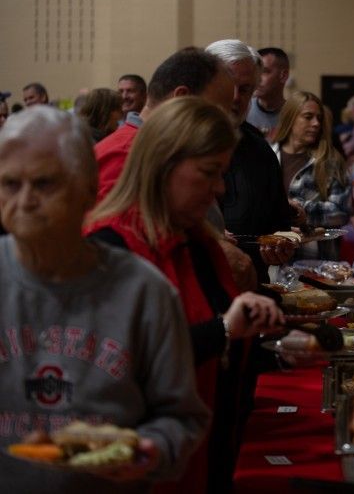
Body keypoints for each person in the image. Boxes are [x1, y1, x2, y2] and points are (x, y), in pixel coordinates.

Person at [0, 106, 210, 493]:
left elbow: (182, 418)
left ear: (87, 189)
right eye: (10, 184)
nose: (25, 201)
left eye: (44, 184)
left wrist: (152, 451)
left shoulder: (144, 292)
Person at [86, 97, 285, 494]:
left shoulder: (194, 239)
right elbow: (115, 364)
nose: (220, 189)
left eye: (223, 173)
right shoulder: (108, 248)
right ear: (164, 165)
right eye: (210, 173)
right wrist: (224, 330)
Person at [206, 39, 299, 283]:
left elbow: (278, 226)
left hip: (250, 292)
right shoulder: (173, 143)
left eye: (245, 89)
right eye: (228, 86)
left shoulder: (260, 150)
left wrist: (280, 247)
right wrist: (206, 236)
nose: (236, 97)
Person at [94, 47, 234, 201]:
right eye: (216, 113)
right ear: (181, 99)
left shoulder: (160, 151)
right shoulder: (124, 157)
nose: (221, 125)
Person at [272, 91, 350, 260]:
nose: (316, 124)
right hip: (273, 260)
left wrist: (299, 210)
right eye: (308, 117)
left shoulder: (330, 161)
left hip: (315, 263)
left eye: (319, 118)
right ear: (291, 118)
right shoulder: (269, 156)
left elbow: (341, 212)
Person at [247, 47, 290, 142]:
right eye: (255, 72)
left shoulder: (294, 114)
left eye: (264, 72)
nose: (257, 78)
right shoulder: (243, 110)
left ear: (283, 75)